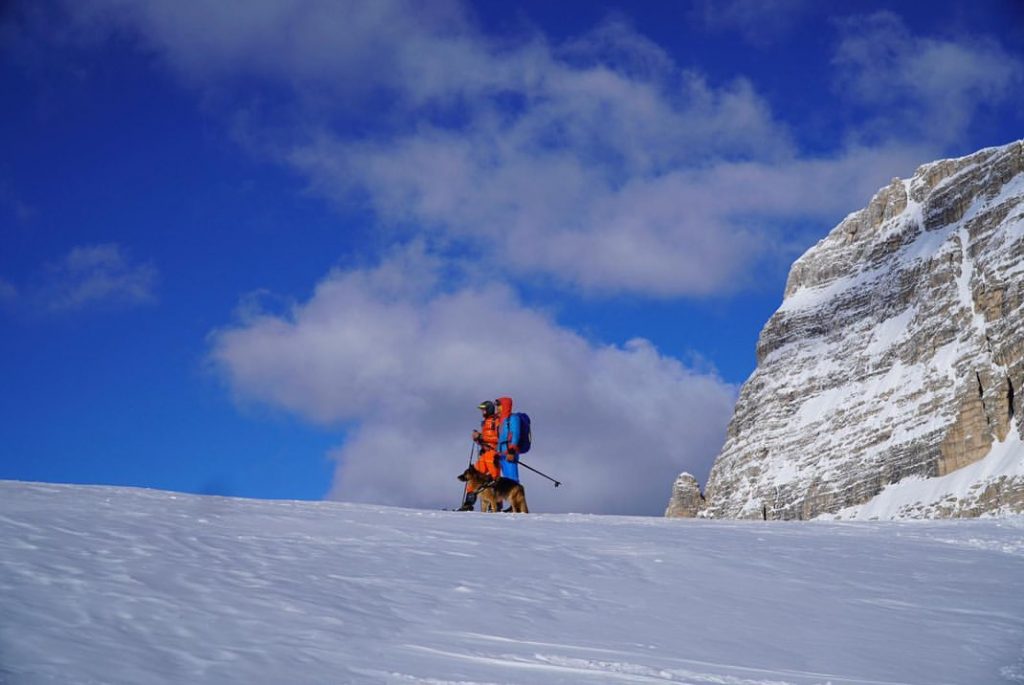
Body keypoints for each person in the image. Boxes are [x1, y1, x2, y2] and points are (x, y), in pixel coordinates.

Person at [459, 400, 501, 511]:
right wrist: (478, 438)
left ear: (489, 409)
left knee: (494, 479)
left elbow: (499, 438)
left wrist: (481, 437)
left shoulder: (497, 421)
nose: (482, 411)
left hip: (493, 455)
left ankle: (496, 505)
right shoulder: (486, 422)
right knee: (473, 476)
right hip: (485, 454)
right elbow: (486, 439)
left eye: (484, 409)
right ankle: (468, 503)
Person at [496, 396, 521, 482]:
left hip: (509, 454)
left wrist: (511, 451)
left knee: (512, 479)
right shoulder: (500, 420)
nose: (497, 408)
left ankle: (515, 495)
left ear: (505, 405)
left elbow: (515, 434)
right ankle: (509, 494)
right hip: (501, 454)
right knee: (505, 481)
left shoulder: (513, 418)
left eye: (499, 405)